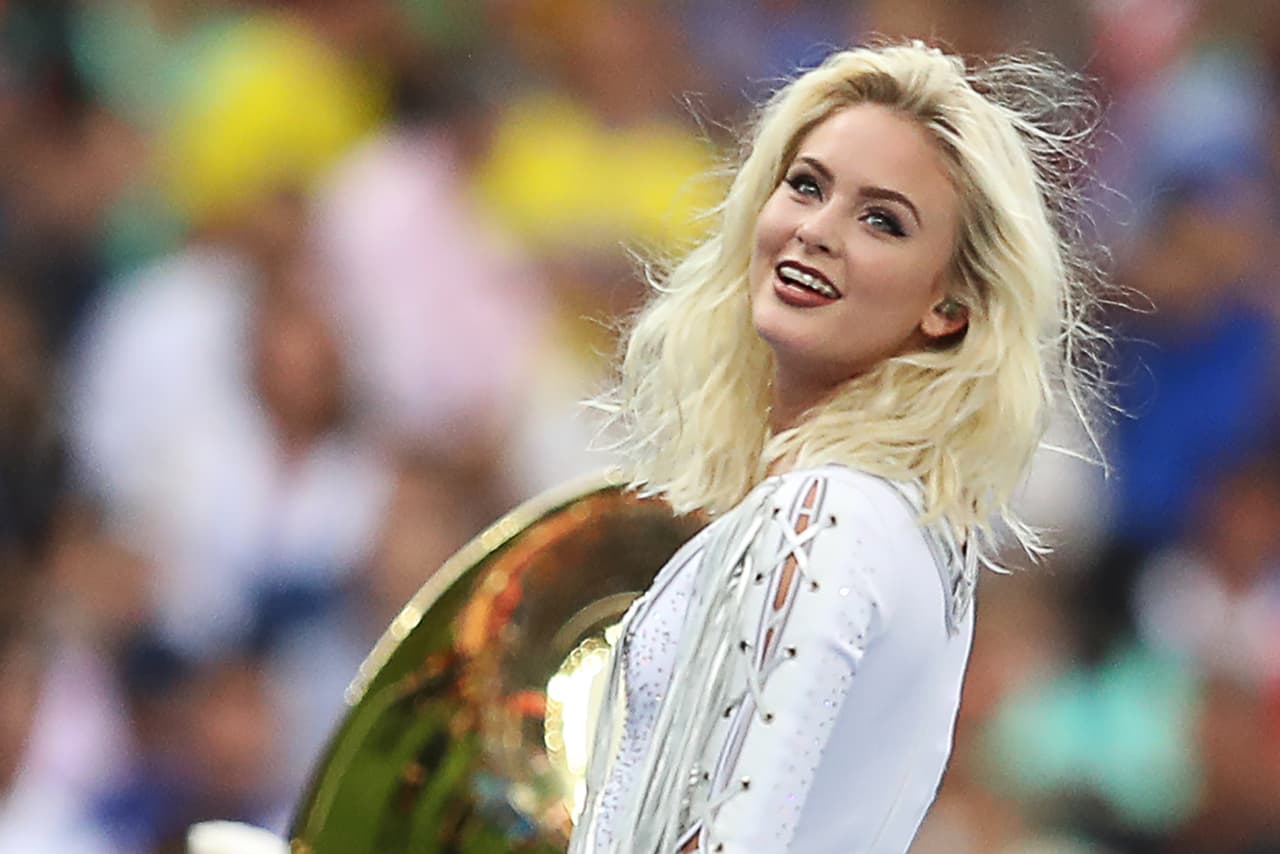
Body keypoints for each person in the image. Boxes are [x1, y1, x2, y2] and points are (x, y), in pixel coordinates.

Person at [568, 41, 1105, 854]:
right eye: (806, 185)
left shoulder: (822, 514)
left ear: (950, 307)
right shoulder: (904, 523)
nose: (817, 231)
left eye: (881, 220)